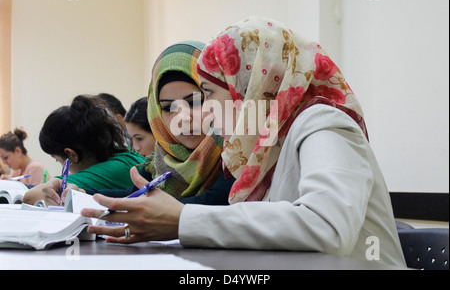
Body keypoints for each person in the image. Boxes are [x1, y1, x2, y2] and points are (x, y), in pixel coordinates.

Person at [82, 17, 406, 267]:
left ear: (251, 86)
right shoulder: (265, 148)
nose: (206, 111)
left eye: (207, 95)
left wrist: (182, 220)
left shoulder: (322, 122)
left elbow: (327, 228)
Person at [36, 41, 234, 206]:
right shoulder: (160, 164)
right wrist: (79, 193)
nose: (183, 118)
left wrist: (146, 206)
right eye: (168, 108)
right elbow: (129, 194)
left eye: (195, 102)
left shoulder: (236, 153)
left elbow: (213, 203)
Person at [22, 95, 146, 204]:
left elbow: (32, 197)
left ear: (71, 154)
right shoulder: (123, 154)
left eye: (57, 160)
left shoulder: (113, 169)